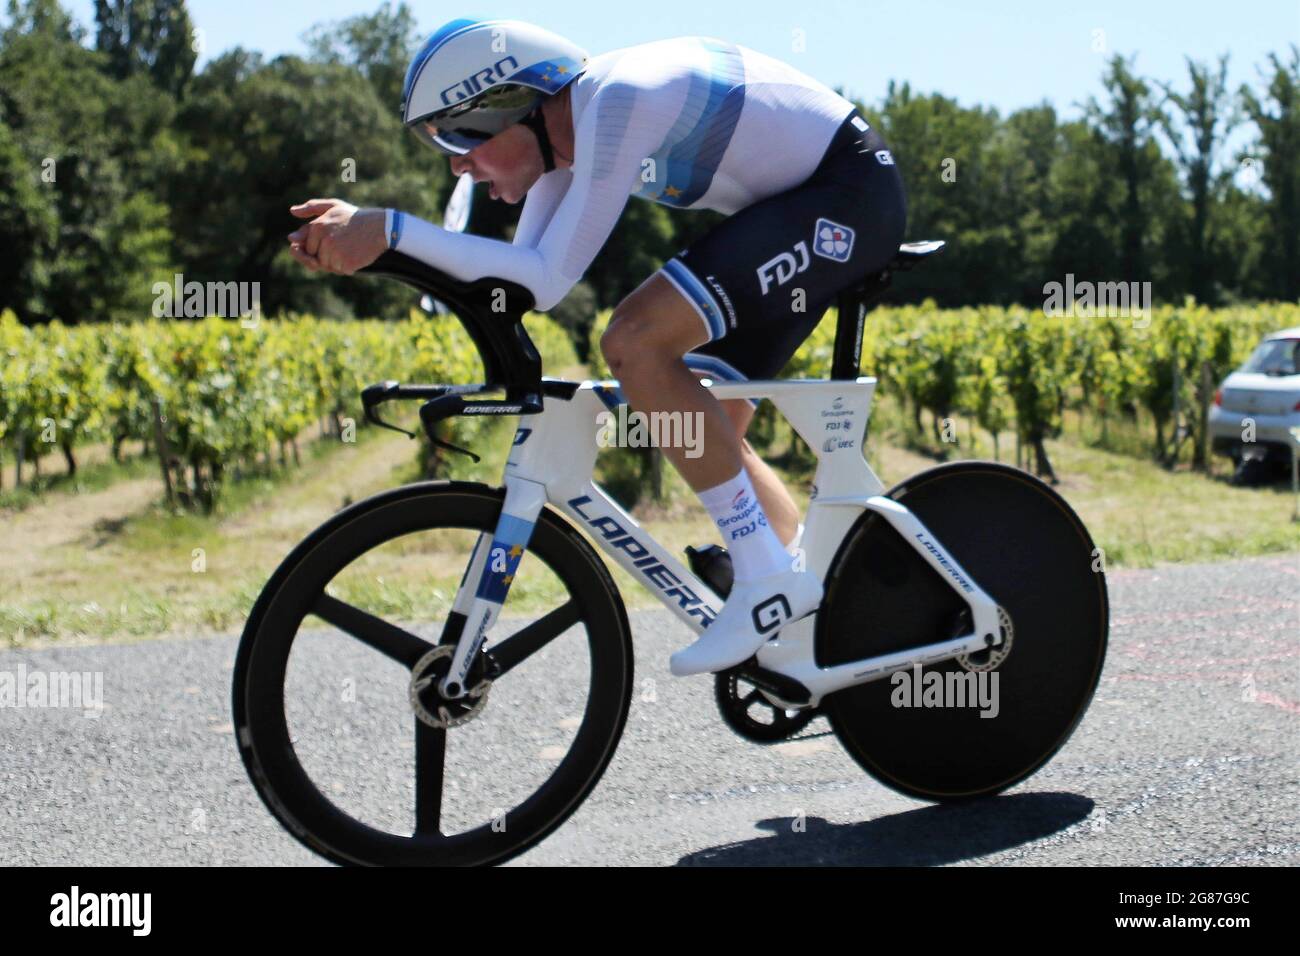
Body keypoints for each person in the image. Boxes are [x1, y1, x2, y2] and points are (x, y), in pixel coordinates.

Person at [286, 18, 907, 677]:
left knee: (635, 342)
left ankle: (764, 581)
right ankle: (813, 612)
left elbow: (549, 279)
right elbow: (517, 276)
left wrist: (389, 229)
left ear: (517, 106)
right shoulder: (566, 146)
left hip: (848, 196)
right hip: (798, 206)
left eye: (461, 134)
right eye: (439, 141)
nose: (455, 163)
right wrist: (382, 248)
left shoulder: (616, 102)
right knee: (705, 424)